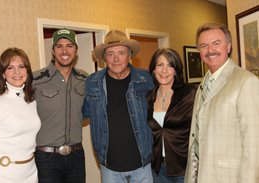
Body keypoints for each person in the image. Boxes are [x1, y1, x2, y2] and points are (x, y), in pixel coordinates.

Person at [185, 22, 259, 183]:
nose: (210, 50)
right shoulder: (202, 85)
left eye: (216, 43)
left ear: (229, 46)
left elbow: (254, 146)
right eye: (204, 46)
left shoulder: (246, 82)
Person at [82, 30, 154, 183]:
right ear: (104, 59)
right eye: (110, 54)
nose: (116, 59)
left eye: (121, 53)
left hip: (142, 164)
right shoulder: (93, 82)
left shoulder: (145, 79)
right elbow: (81, 112)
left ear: (130, 56)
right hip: (109, 167)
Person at [33, 28, 87, 183]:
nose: (65, 50)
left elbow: (88, 112)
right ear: (53, 51)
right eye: (59, 46)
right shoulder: (35, 79)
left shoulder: (85, 79)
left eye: (69, 46)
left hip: (76, 156)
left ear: (76, 50)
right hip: (46, 159)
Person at [0, 47, 41, 183]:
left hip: (30, 173)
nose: (17, 72)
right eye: (10, 67)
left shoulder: (31, 102)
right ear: (3, 74)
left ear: (27, 71)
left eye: (21, 67)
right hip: (3, 175)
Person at [147, 48, 196, 183]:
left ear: (176, 70)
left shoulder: (191, 94)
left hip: (184, 169)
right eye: (160, 65)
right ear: (153, 69)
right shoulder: (147, 97)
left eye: (170, 66)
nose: (164, 71)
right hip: (157, 168)